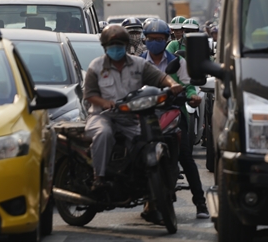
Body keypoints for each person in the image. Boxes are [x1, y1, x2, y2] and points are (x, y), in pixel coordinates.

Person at [83, 25, 184, 190]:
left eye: (119, 45)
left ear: (126, 45)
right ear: (105, 47)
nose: (116, 49)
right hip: (103, 116)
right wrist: (105, 103)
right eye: (112, 45)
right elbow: (89, 94)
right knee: (104, 134)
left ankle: (144, 181)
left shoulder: (139, 64)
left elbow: (160, 77)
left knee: (147, 139)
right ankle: (99, 177)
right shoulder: (96, 66)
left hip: (131, 117)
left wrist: (173, 84)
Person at [141, 19, 210, 220]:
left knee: (186, 157)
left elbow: (189, 86)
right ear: (145, 40)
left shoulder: (178, 62)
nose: (155, 42)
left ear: (166, 39)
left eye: (159, 39)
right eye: (151, 39)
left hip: (173, 114)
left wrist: (192, 96)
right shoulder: (139, 63)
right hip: (147, 117)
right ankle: (147, 201)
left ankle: (200, 203)